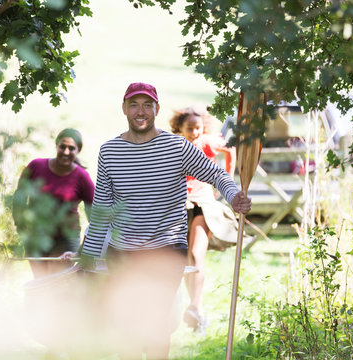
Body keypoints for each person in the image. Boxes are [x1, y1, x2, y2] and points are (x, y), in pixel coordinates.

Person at [70, 83, 251, 359]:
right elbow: (103, 212)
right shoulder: (109, 152)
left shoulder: (177, 147)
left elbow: (216, 174)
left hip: (166, 249)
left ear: (156, 108)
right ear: (124, 109)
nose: (140, 111)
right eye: (134, 105)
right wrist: (88, 257)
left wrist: (234, 195)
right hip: (123, 252)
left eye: (146, 105)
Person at [169, 106, 240, 334]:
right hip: (179, 205)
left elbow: (230, 150)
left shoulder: (207, 142)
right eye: (189, 129)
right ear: (179, 128)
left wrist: (227, 176)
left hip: (202, 204)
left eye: (197, 128)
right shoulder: (174, 145)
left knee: (197, 254)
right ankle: (192, 310)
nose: (194, 133)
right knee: (183, 258)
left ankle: (195, 307)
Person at [13, 128, 95, 278]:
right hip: (36, 238)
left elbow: (96, 218)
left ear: (78, 151)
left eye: (71, 148)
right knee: (40, 282)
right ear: (56, 145)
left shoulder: (82, 177)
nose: (66, 152)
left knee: (56, 284)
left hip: (65, 240)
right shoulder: (36, 166)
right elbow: (19, 198)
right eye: (62, 146)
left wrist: (82, 250)